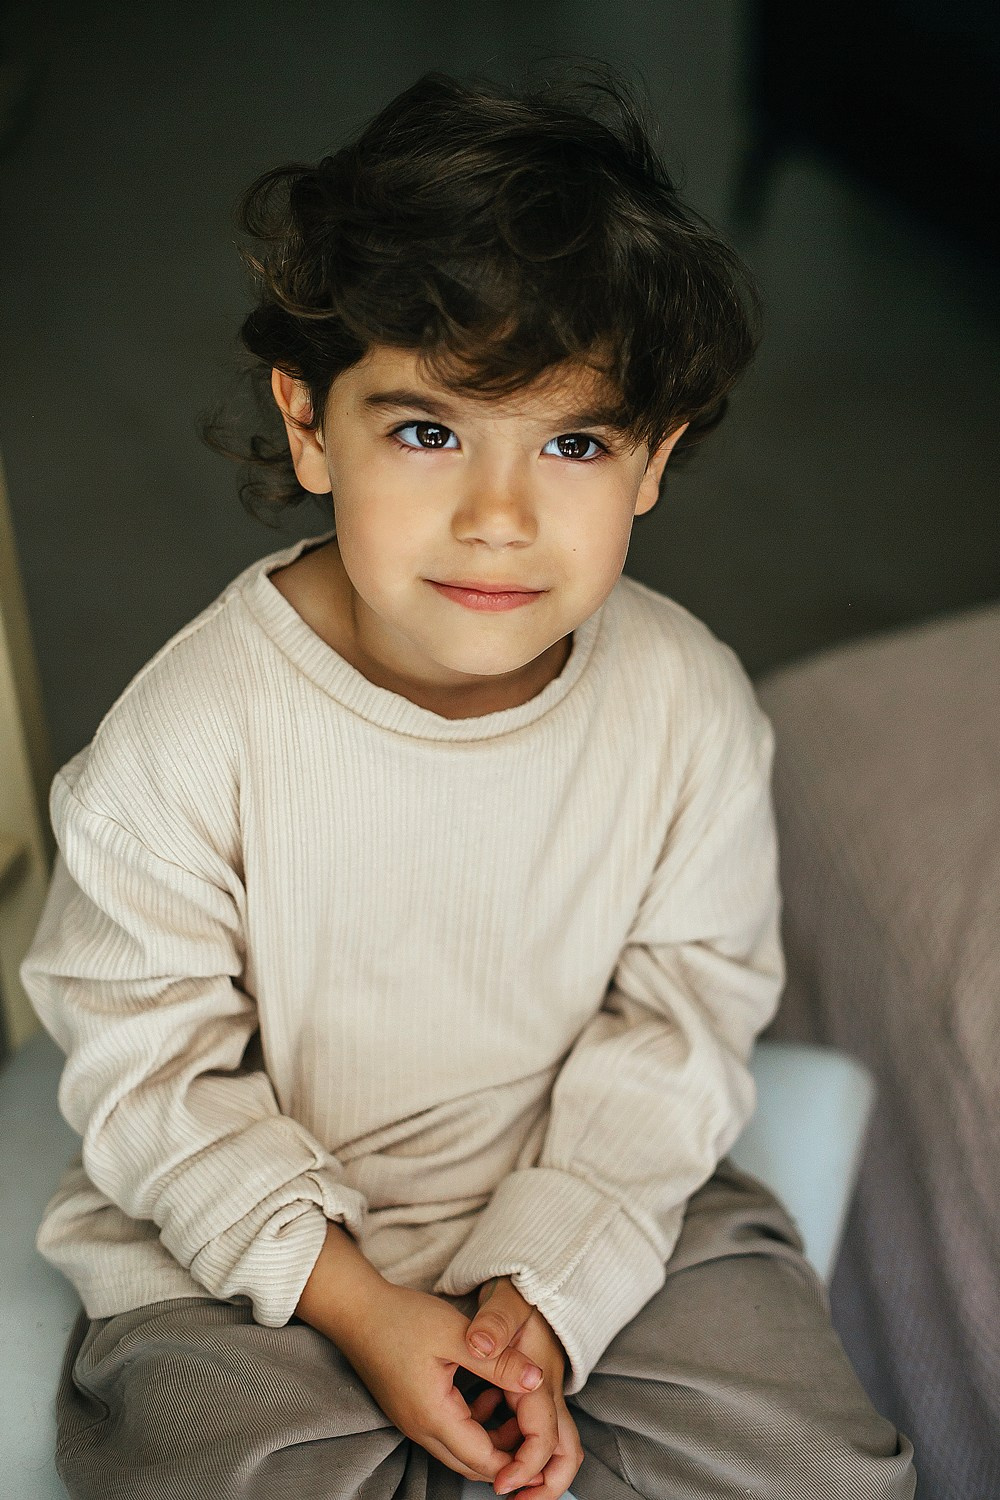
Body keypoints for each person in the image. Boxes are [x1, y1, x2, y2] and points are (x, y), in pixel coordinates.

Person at [20, 65, 916, 1500]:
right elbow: (151, 1081)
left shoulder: (686, 704)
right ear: (311, 423)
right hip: (260, 1249)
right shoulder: (183, 745)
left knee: (818, 1465)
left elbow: (685, 1015)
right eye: (428, 431)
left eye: (572, 443)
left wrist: (547, 1284)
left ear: (653, 464)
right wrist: (369, 1311)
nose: (498, 519)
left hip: (604, 1197)